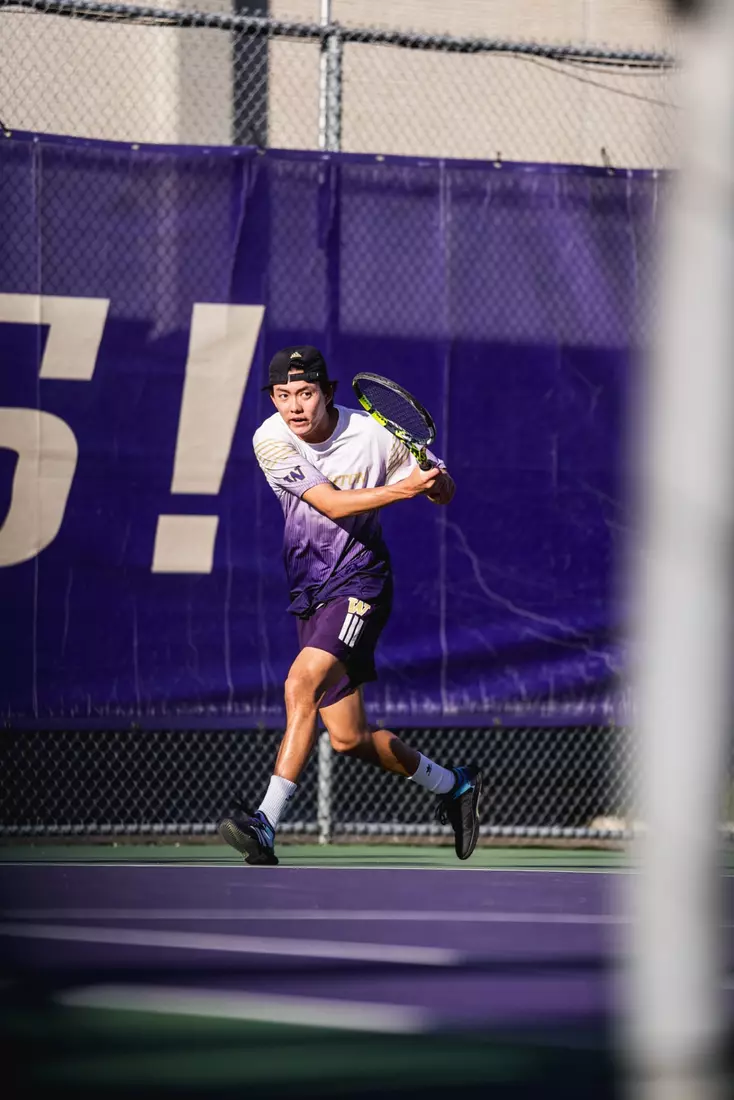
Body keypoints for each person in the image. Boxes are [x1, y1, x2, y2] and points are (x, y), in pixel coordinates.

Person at [218, 345, 482, 865]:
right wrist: (404, 490)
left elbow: (444, 493)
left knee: (300, 684)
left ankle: (265, 824)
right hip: (310, 590)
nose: (294, 406)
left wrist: (432, 480)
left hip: (360, 583)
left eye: (306, 393)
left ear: (328, 392)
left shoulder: (375, 434)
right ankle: (455, 785)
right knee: (348, 738)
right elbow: (332, 504)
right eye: (282, 394)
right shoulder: (270, 439)